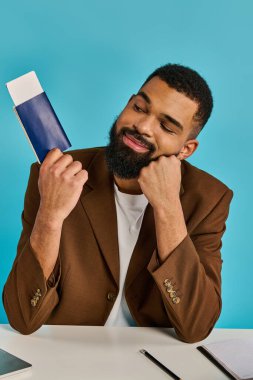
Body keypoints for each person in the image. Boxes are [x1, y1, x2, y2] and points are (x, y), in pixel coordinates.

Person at [3, 64, 233, 343]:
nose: (142, 126)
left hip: (157, 358)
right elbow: (22, 319)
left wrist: (168, 208)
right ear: (127, 103)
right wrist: (50, 216)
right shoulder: (54, 176)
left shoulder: (209, 199)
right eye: (139, 107)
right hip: (67, 356)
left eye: (166, 126)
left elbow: (196, 326)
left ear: (186, 149)